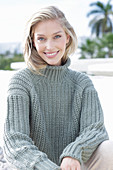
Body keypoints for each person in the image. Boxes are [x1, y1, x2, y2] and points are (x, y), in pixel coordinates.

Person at [3, 6, 113, 170]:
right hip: (34, 166)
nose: (49, 46)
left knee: (108, 149)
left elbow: (95, 130)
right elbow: (15, 140)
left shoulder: (82, 83)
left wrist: (73, 153)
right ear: (33, 41)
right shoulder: (21, 81)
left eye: (56, 36)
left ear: (67, 38)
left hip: (72, 166)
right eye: (41, 39)